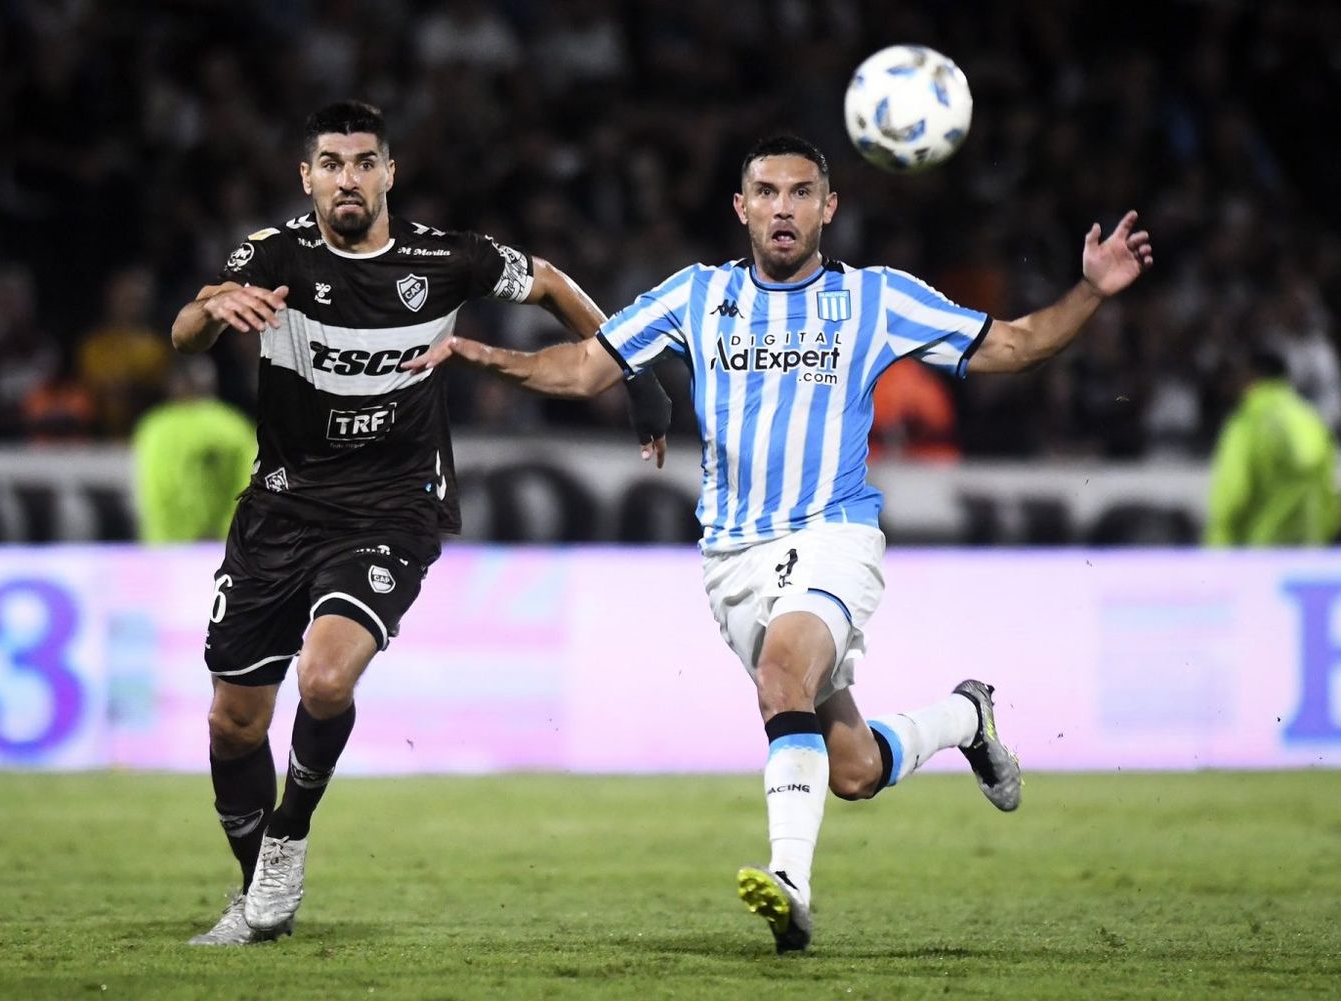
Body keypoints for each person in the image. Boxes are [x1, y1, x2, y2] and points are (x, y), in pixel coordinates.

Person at [408, 134, 1154, 954]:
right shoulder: (696, 296)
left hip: (832, 533)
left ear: (829, 207)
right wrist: (488, 358)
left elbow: (1014, 345)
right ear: (742, 207)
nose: (784, 207)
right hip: (731, 559)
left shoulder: (877, 300)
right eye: (767, 192)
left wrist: (1089, 292)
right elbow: (586, 368)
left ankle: (790, 883)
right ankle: (964, 718)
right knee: (855, 768)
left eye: (802, 192)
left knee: (780, 675)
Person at [171, 100, 671, 946]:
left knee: (326, 680)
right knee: (233, 720)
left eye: (364, 162)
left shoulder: (445, 259)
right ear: (307, 178)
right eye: (330, 163)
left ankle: (287, 839)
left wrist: (632, 371)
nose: (348, 178)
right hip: (281, 508)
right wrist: (212, 308)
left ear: (389, 172)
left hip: (393, 506)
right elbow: (183, 336)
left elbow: (548, 281)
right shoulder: (271, 255)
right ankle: (256, 889)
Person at [1205, 347, 1338, 546]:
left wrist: (1217, 548)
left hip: (1261, 555)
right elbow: (1330, 490)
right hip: (1309, 554)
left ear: (1250, 377)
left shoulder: (1249, 423)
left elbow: (1232, 494)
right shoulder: (1311, 421)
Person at [130, 354, 256, 543]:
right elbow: (249, 483)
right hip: (220, 543)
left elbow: (151, 489)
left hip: (166, 545)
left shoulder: (154, 426)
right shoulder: (232, 425)